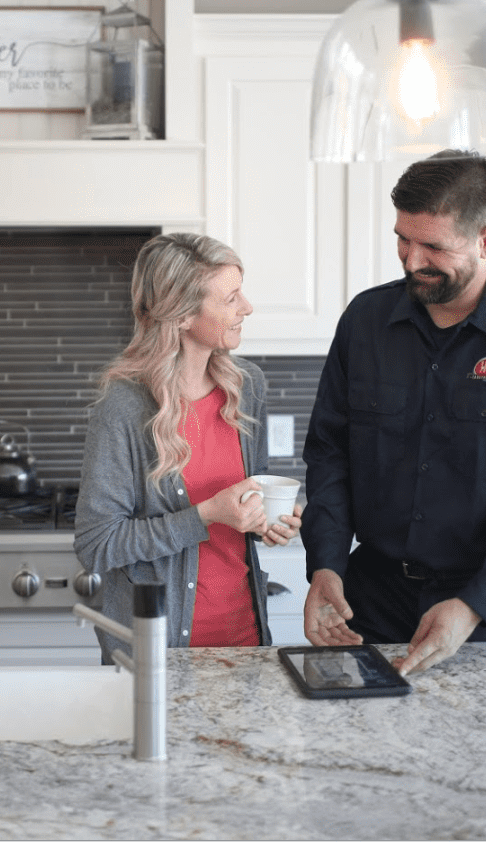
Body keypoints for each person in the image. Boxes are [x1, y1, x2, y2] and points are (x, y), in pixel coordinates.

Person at [300, 149, 486, 677]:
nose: (412, 261)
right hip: (372, 606)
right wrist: (325, 564)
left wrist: (474, 604)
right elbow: (330, 454)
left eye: (433, 246)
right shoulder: (366, 320)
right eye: (402, 239)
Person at [74, 232, 300, 662]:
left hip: (245, 640)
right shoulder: (124, 405)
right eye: (230, 298)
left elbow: (248, 498)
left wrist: (267, 521)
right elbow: (97, 544)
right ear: (180, 315)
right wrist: (205, 515)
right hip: (157, 655)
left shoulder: (246, 386)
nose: (246, 307)